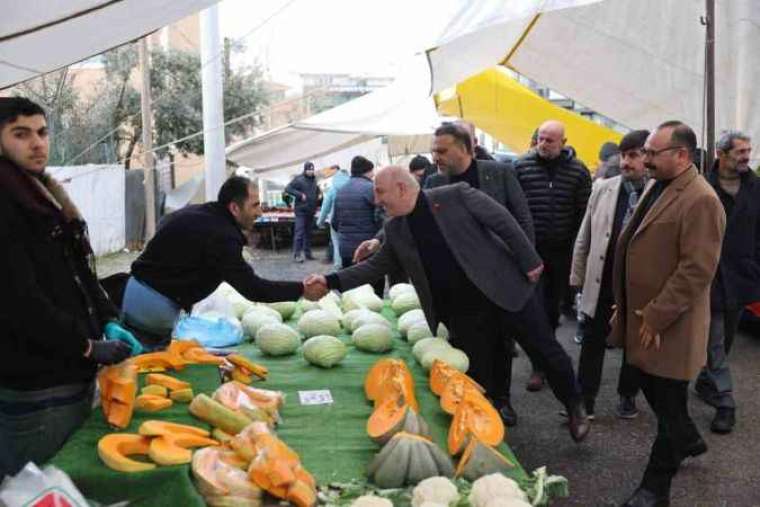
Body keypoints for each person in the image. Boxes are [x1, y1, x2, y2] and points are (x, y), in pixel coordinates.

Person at [308, 166, 590, 442]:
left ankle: (575, 405)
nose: (377, 200)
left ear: (402, 188)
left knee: (544, 350)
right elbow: (374, 267)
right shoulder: (395, 228)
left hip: (504, 289)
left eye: (380, 192)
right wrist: (329, 281)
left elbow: (502, 221)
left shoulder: (456, 195)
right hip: (461, 310)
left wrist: (530, 261)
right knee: (479, 366)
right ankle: (484, 425)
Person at [0, 97, 136, 476]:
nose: (37, 143)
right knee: (38, 482)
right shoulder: (7, 201)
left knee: (62, 479)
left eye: (42, 132)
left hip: (66, 372)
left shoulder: (40, 191)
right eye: (20, 134)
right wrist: (88, 345)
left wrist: (107, 317)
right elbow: (18, 300)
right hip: (38, 382)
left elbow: (75, 270)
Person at [609, 121, 725, 506]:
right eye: (645, 152)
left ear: (681, 155)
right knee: (650, 388)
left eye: (653, 152)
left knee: (669, 405)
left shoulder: (701, 199)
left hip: (668, 324)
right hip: (642, 319)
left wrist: (657, 316)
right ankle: (689, 440)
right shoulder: (658, 184)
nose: (645, 158)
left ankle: (655, 489)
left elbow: (697, 269)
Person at [126, 175, 325, 348]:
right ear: (234, 208)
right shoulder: (222, 236)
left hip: (137, 293)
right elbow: (254, 289)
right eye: (254, 206)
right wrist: (301, 290)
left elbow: (165, 227)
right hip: (151, 308)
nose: (260, 213)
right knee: (147, 369)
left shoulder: (202, 213)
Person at [425, 122, 534, 426]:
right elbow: (415, 219)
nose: (436, 157)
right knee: (466, 340)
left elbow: (522, 219)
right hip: (458, 278)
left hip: (500, 275)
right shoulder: (433, 181)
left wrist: (526, 265)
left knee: (500, 340)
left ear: (465, 148)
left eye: (442, 150)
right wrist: (379, 239)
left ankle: (501, 400)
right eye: (434, 151)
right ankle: (472, 398)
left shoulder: (498, 173)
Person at [569, 130, 649, 421]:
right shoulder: (603, 188)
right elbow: (585, 236)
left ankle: (627, 396)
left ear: (648, 157)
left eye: (633, 155)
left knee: (633, 344)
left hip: (638, 286)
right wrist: (577, 278)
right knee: (592, 341)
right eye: (623, 155)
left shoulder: (659, 192)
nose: (626, 162)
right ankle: (585, 400)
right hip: (601, 280)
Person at [515, 120, 592, 392]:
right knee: (532, 309)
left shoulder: (579, 172)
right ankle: (539, 364)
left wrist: (577, 251)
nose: (543, 144)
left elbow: (585, 214)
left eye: (550, 140)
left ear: (563, 142)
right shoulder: (521, 167)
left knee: (550, 309)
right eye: (540, 138)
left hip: (561, 253)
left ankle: (545, 363)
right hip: (529, 251)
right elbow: (512, 208)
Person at [695, 130, 760, 435]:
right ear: (722, 154)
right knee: (716, 339)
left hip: (744, 277)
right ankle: (725, 403)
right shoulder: (701, 187)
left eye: (748, 151)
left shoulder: (756, 187)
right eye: (740, 152)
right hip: (712, 276)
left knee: (727, 339)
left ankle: (707, 380)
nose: (747, 156)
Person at [332, 156, 385, 295]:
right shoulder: (370, 189)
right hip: (368, 248)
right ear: (367, 171)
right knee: (373, 293)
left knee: (352, 291)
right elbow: (383, 216)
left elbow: (334, 222)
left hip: (346, 249)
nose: (373, 175)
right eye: (372, 172)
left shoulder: (341, 191)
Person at [285, 161, 321, 262]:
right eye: (309, 169)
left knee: (308, 234)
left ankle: (308, 254)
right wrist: (300, 195)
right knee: (299, 233)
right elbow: (288, 188)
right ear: (305, 170)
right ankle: (297, 255)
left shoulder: (314, 180)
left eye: (312, 169)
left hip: (311, 210)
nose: (311, 171)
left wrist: (318, 195)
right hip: (301, 211)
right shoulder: (299, 179)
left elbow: (316, 190)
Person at [317, 165, 350, 270]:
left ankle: (338, 266)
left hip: (335, 221)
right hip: (351, 220)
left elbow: (325, 207)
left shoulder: (332, 188)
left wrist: (320, 222)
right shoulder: (352, 185)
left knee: (336, 244)